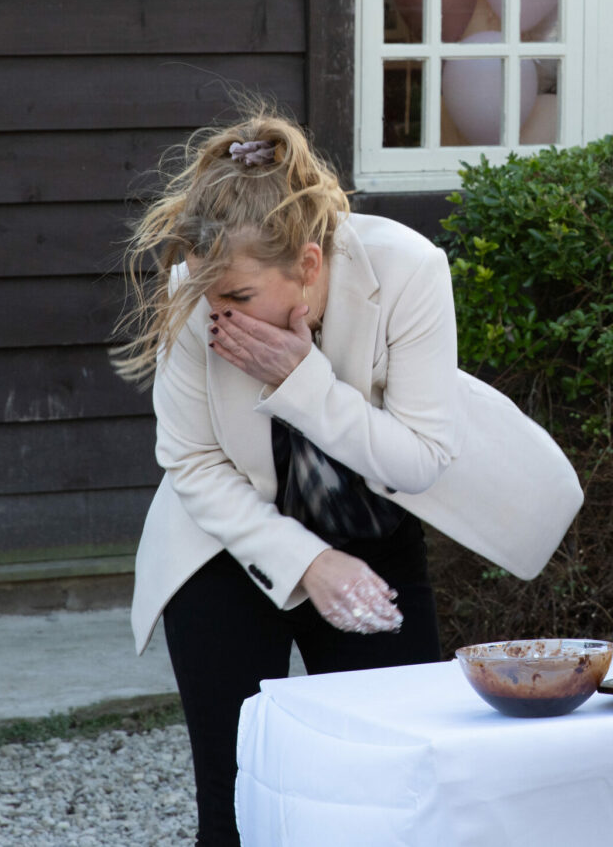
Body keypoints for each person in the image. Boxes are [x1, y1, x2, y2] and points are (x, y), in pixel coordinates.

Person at [115, 110, 460, 845]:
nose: (217, 312)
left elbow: (421, 457)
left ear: (307, 265)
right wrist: (308, 562)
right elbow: (191, 462)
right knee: (238, 805)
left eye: (237, 299)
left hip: (373, 530)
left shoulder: (411, 272)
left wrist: (304, 382)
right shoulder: (198, 286)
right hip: (222, 542)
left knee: (393, 791)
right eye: (211, 295)